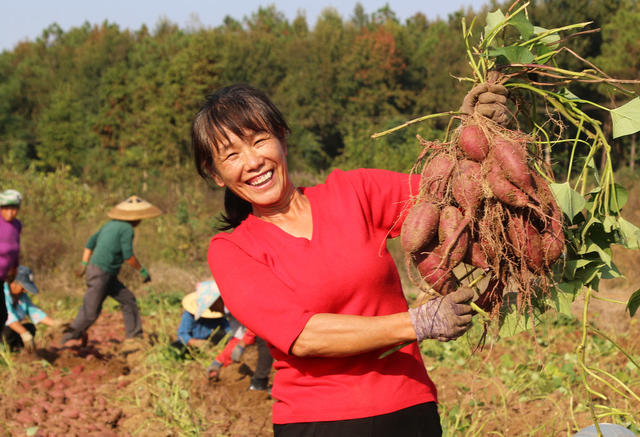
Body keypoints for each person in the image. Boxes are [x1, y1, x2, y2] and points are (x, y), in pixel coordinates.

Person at [191, 84, 507, 435]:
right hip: (317, 423)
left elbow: (449, 196)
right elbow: (304, 336)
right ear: (216, 174)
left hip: (408, 405)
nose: (252, 162)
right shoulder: (233, 249)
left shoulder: (354, 193)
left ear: (282, 137)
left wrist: (478, 133)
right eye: (231, 155)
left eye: (258, 140)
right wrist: (418, 324)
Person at [61, 195, 162, 346]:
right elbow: (128, 256)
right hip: (101, 273)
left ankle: (134, 337)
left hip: (106, 274)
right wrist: (142, 270)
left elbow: (89, 243)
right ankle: (68, 337)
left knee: (128, 299)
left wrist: (84, 262)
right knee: (90, 312)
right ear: (135, 217)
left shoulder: (109, 225)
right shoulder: (127, 229)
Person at [3, 265, 62, 352]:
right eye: (23, 288)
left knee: (30, 328)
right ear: (14, 283)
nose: (25, 291)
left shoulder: (22, 296)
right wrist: (24, 333)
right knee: (8, 331)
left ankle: (16, 351)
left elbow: (34, 312)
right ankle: (4, 351)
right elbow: (9, 319)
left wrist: (56, 324)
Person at [172, 280, 229, 351]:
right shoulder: (190, 314)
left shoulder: (219, 315)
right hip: (193, 346)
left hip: (212, 344)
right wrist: (195, 342)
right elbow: (182, 334)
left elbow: (229, 331)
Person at [0, 189, 23, 329]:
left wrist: (14, 276)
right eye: (6, 208)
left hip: (2, 277)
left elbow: (15, 251)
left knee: (2, 315)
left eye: (13, 208)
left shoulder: (17, 225)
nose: (10, 212)